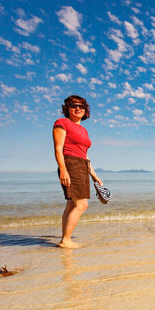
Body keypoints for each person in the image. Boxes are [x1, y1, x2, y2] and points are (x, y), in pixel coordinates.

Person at [53, 95, 102, 248]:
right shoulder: (62, 122)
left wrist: (94, 175)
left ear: (86, 110)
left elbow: (85, 155)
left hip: (81, 165)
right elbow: (58, 148)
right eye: (74, 105)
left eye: (81, 106)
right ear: (67, 108)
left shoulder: (83, 130)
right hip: (71, 164)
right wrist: (63, 170)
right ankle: (66, 240)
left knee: (71, 204)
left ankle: (65, 238)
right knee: (81, 205)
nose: (78, 109)